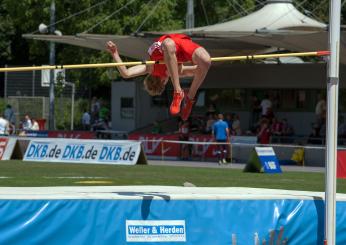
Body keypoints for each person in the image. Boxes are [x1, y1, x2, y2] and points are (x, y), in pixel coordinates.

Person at [106, 34, 211, 121]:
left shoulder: (151, 69)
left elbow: (126, 73)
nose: (167, 81)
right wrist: (114, 53)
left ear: (162, 82)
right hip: (180, 46)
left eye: (165, 83)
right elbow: (198, 71)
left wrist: (114, 53)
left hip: (172, 43)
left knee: (168, 44)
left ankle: (180, 93)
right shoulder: (175, 72)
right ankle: (190, 99)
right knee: (206, 61)